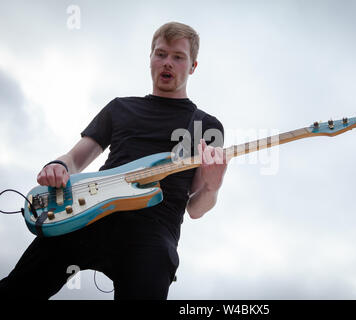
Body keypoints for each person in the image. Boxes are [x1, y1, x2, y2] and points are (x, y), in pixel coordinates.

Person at [0, 21, 227, 299]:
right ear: (151, 58)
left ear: (192, 66)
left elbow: (196, 208)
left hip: (153, 230)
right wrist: (57, 167)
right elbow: (75, 158)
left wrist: (213, 186)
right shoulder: (121, 107)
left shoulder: (206, 125)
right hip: (90, 212)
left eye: (178, 57)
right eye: (161, 54)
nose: (167, 62)